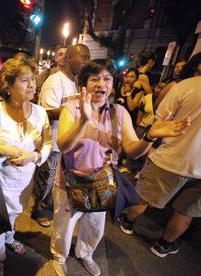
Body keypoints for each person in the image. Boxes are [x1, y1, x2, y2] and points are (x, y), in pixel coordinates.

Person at [51, 59, 189, 276]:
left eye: (106, 78)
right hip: (70, 182)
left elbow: (132, 149)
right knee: (65, 225)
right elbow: (63, 145)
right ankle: (59, 256)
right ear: (83, 86)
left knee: (95, 226)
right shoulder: (71, 109)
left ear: (112, 84)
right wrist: (84, 121)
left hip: (102, 183)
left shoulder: (119, 112)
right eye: (94, 79)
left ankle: (85, 253)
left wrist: (150, 136)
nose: (101, 83)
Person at [0, 56, 52, 276]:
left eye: (33, 79)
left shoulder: (40, 113)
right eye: (26, 80)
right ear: (8, 84)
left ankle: (10, 238)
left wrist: (34, 157)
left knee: (14, 215)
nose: (33, 84)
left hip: (25, 182)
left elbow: (48, 144)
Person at [119, 78, 199, 259]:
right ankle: (163, 244)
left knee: (143, 198)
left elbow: (160, 118)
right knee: (185, 212)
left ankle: (127, 221)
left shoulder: (186, 86)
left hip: (170, 158)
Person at [33, 44, 90, 227]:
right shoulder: (55, 81)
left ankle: (47, 200)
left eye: (88, 57)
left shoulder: (75, 82)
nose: (87, 62)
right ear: (69, 58)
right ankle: (37, 208)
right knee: (46, 177)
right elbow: (46, 112)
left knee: (56, 178)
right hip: (53, 141)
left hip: (66, 142)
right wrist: (75, 109)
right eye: (84, 57)